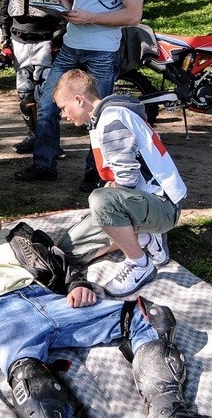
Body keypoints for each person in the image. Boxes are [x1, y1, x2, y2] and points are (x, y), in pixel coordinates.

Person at [0, 207, 192, 418]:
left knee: (150, 315)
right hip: (2, 312)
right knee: (30, 384)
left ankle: (168, 409)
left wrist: (78, 284)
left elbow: (61, 262)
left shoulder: (24, 235)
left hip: (54, 301)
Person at [13, 0, 144, 193]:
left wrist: (91, 16)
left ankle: (95, 173)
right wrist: (61, 3)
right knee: (47, 104)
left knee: (98, 115)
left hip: (103, 50)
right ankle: (44, 165)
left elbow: (133, 15)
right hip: (72, 44)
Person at [52, 70, 187, 297]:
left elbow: (127, 178)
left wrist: (110, 197)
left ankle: (139, 263)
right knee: (66, 251)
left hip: (163, 206)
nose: (63, 115)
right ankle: (144, 237)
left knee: (100, 201)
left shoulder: (112, 120)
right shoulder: (106, 116)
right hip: (150, 201)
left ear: (79, 100)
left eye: (63, 108)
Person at [0, 0, 67, 154]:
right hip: (19, 42)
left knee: (47, 94)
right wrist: (4, 42)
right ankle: (34, 136)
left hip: (46, 41)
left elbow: (65, 13)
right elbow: (3, 11)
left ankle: (51, 143)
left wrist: (59, 39)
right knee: (25, 91)